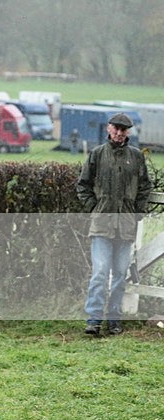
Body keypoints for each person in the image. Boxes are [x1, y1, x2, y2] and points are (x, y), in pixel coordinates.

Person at [76, 112, 151, 336]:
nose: (119, 133)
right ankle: (94, 319)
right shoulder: (97, 154)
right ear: (109, 128)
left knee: (119, 275)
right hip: (101, 225)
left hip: (126, 226)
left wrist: (137, 213)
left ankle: (114, 319)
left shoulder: (136, 157)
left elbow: (144, 187)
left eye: (123, 129)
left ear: (128, 132)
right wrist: (95, 208)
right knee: (100, 273)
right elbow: (83, 185)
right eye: (116, 128)